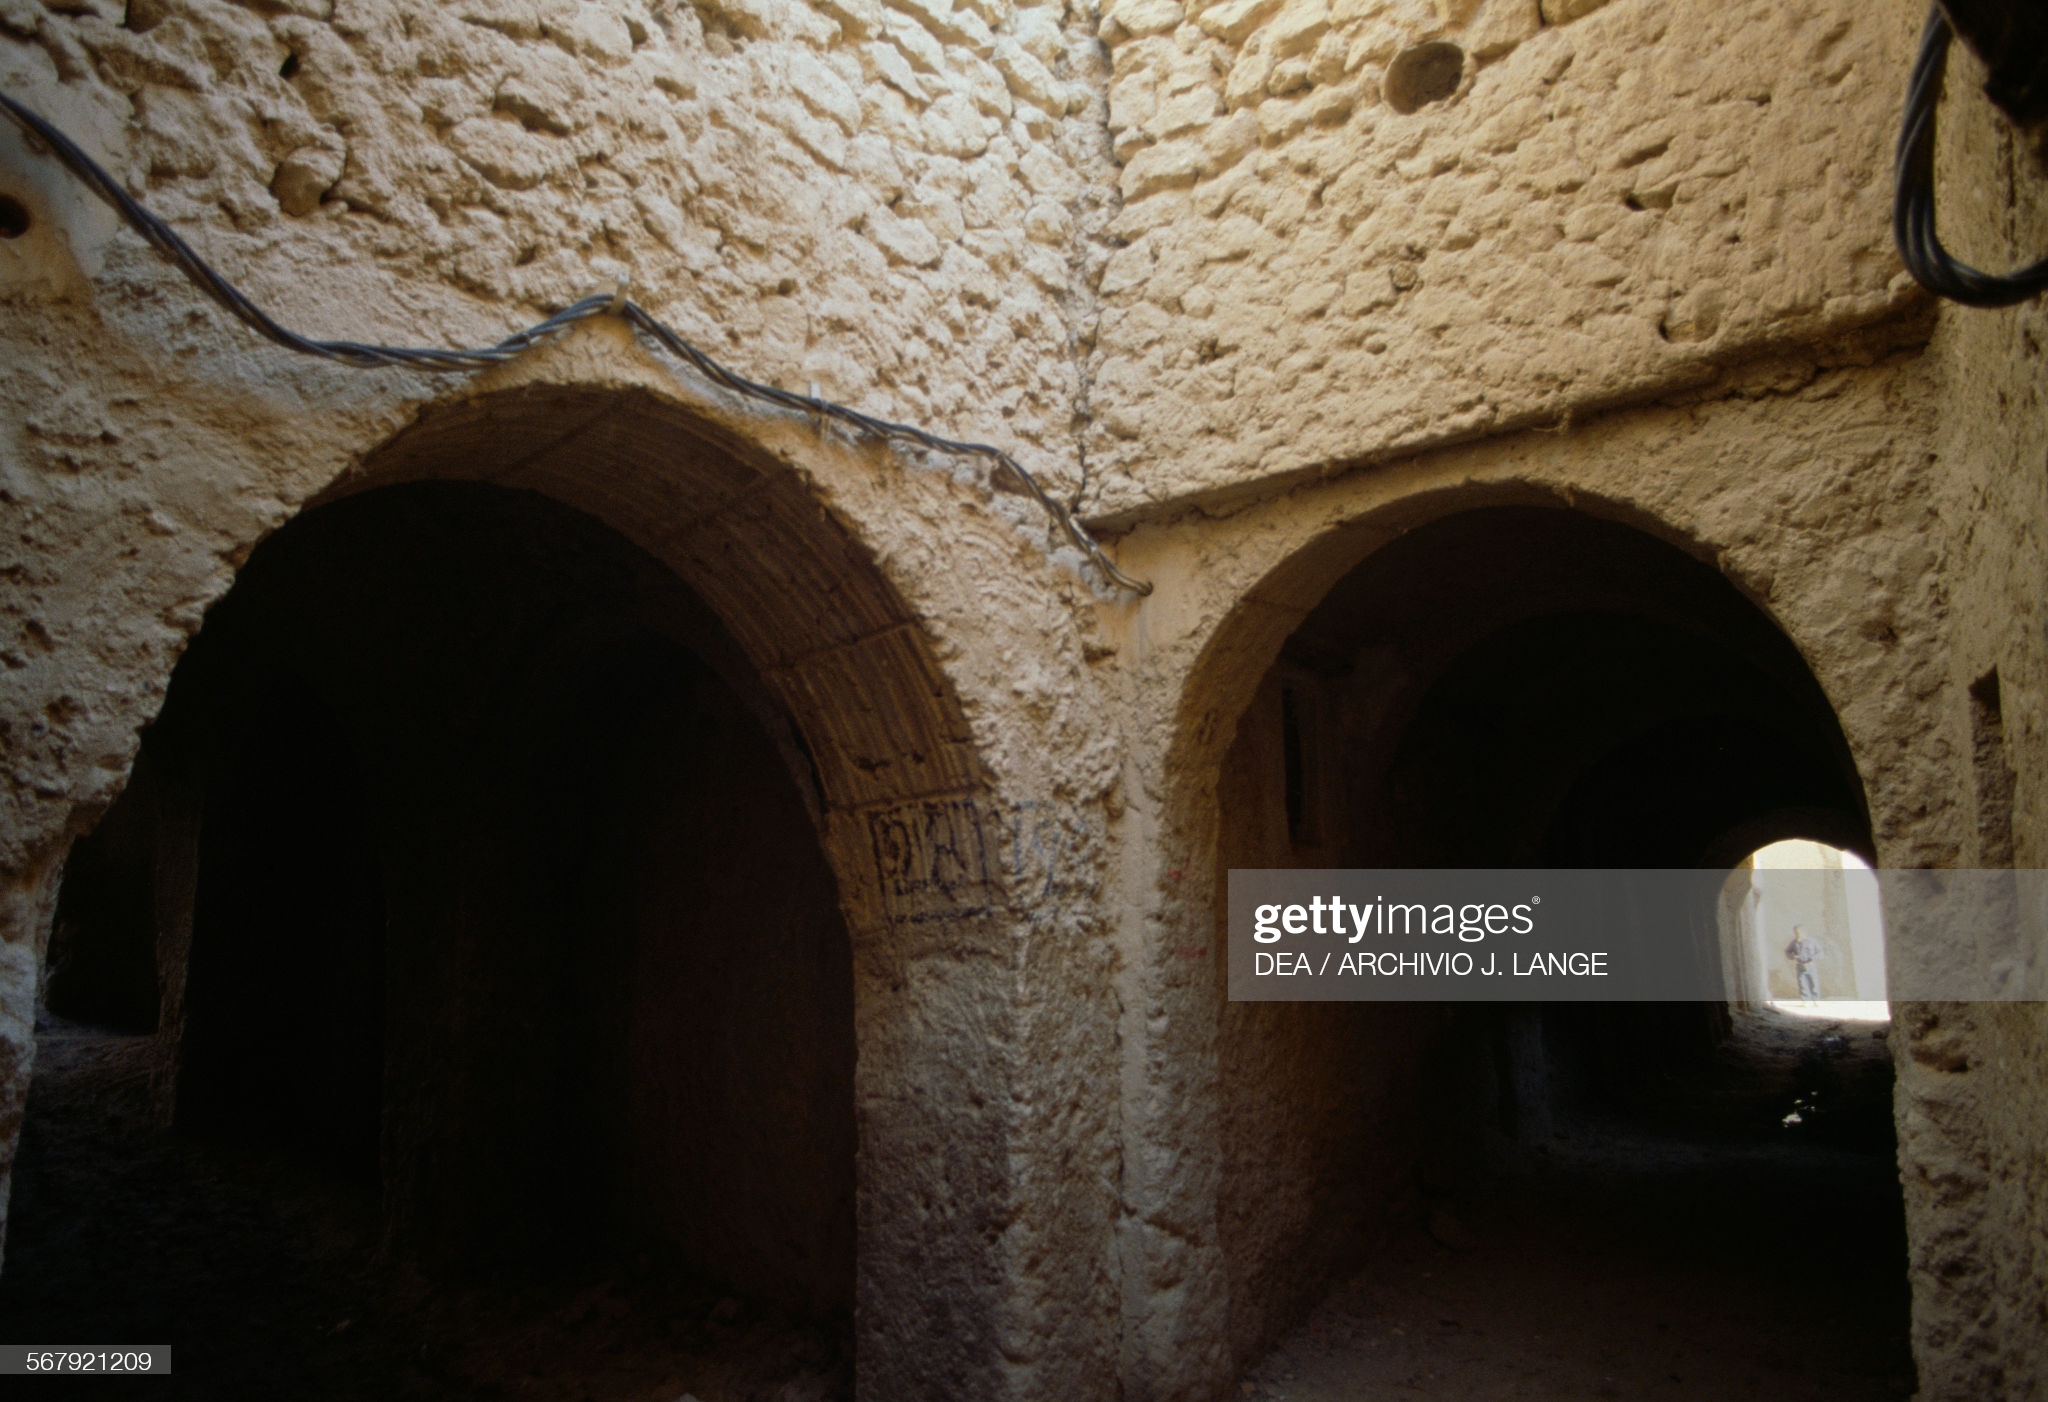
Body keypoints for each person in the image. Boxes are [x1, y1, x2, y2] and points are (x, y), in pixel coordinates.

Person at [1785, 925, 1822, 1003]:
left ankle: (1816, 999)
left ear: (1805, 932)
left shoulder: (1812, 941)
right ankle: (1805, 1000)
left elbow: (1820, 952)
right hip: (1800, 965)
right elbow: (1787, 951)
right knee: (1802, 984)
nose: (1797, 935)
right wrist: (1793, 957)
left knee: (1814, 983)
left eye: (1799, 933)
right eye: (1795, 933)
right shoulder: (1794, 943)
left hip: (1810, 965)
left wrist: (1814, 957)